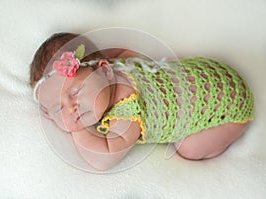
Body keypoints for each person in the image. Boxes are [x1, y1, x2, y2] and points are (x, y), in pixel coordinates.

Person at [30, 32, 254, 170]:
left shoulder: (127, 109)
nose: (71, 109)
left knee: (188, 149)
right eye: (58, 108)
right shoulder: (117, 65)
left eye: (76, 92)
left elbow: (102, 160)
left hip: (227, 105)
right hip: (205, 74)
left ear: (105, 71)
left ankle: (235, 128)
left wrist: (76, 129)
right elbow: (123, 51)